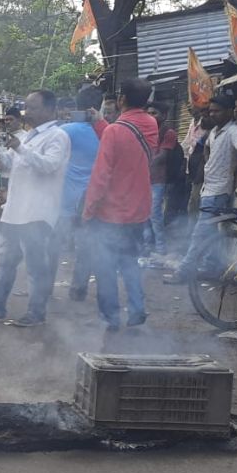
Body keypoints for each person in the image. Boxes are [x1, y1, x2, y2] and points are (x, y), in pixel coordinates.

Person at [0, 90, 70, 327]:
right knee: (4, 262)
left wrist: (20, 148)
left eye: (33, 108)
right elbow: (7, 166)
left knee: (35, 266)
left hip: (37, 212)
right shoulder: (30, 136)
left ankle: (36, 314)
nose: (27, 112)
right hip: (15, 210)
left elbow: (49, 166)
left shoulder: (58, 136)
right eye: (28, 107)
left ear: (49, 110)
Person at [82, 79, 159, 330]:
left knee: (105, 267)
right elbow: (125, 139)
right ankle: (137, 308)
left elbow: (101, 175)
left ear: (122, 99)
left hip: (110, 212)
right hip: (139, 209)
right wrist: (100, 123)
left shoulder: (115, 131)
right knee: (129, 261)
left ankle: (111, 318)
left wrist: (88, 209)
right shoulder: (151, 123)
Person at [166, 94, 237, 284]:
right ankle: (213, 268)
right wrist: (207, 166)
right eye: (211, 111)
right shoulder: (214, 132)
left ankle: (185, 271)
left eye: (216, 111)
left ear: (228, 112)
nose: (212, 114)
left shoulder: (233, 130)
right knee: (211, 233)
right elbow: (207, 150)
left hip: (219, 191)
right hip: (208, 189)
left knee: (200, 232)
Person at [48, 90, 102, 302]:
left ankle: (46, 288)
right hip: (91, 200)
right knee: (85, 246)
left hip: (66, 199)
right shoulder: (104, 131)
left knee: (53, 245)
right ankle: (78, 290)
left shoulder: (65, 130)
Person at [142, 104, 178, 256]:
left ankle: (160, 246)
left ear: (163, 115)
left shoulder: (168, 132)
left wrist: (143, 162)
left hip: (158, 179)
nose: (151, 116)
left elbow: (163, 156)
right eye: (148, 113)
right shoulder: (146, 131)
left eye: (154, 113)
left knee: (154, 214)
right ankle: (147, 245)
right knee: (144, 214)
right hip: (144, 179)